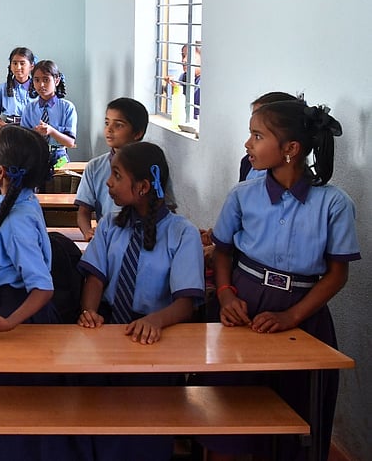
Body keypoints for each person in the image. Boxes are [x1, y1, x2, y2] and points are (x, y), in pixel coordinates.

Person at [200, 99, 359, 461]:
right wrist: (225, 295)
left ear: (291, 149)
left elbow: (337, 273)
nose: (247, 144)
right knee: (229, 411)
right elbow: (222, 251)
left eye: (257, 136)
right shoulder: (243, 195)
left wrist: (292, 317)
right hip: (244, 303)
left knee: (299, 413)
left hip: (303, 314)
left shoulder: (334, 204)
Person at [0, 125, 81, 460]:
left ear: (1, 170)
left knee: (22, 403)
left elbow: (42, 287)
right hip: (6, 302)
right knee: (14, 399)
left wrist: (9, 322)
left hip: (24, 312)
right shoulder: (11, 196)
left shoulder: (17, 219)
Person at [77, 141, 204, 461]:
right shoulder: (109, 224)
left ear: (144, 186)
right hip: (108, 331)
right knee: (100, 418)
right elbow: (96, 277)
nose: (108, 183)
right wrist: (89, 311)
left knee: (144, 425)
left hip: (153, 338)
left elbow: (186, 303)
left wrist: (154, 321)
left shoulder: (182, 233)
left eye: (117, 176)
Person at [74, 97, 148, 240]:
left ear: (137, 133)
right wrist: (87, 232)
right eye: (107, 123)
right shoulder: (94, 167)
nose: (109, 129)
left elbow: (167, 208)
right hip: (108, 238)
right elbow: (83, 211)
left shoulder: (152, 166)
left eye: (119, 125)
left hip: (145, 238)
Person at [20, 60, 77, 166]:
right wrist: (35, 134)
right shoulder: (29, 108)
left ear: (56, 80)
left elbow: (70, 143)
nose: (41, 85)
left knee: (60, 181)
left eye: (46, 80)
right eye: (37, 80)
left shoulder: (67, 108)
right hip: (35, 156)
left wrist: (51, 131)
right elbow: (23, 142)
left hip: (60, 158)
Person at [0, 47, 38, 128]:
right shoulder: (3, 88)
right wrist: (5, 126)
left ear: (31, 66)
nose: (18, 67)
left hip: (33, 128)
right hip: (10, 128)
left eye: (22, 63)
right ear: (10, 66)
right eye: (14, 63)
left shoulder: (38, 87)